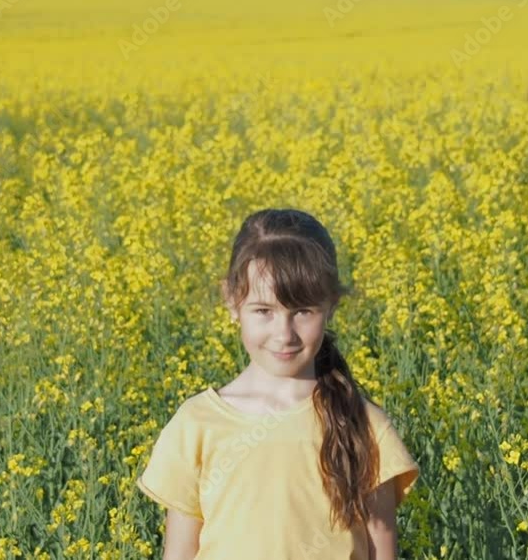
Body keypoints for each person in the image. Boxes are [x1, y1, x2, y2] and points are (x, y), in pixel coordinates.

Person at [136, 208, 420, 559]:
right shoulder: (196, 424)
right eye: (263, 311)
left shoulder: (364, 425)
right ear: (231, 300)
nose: (284, 334)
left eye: (303, 311)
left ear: (331, 305)